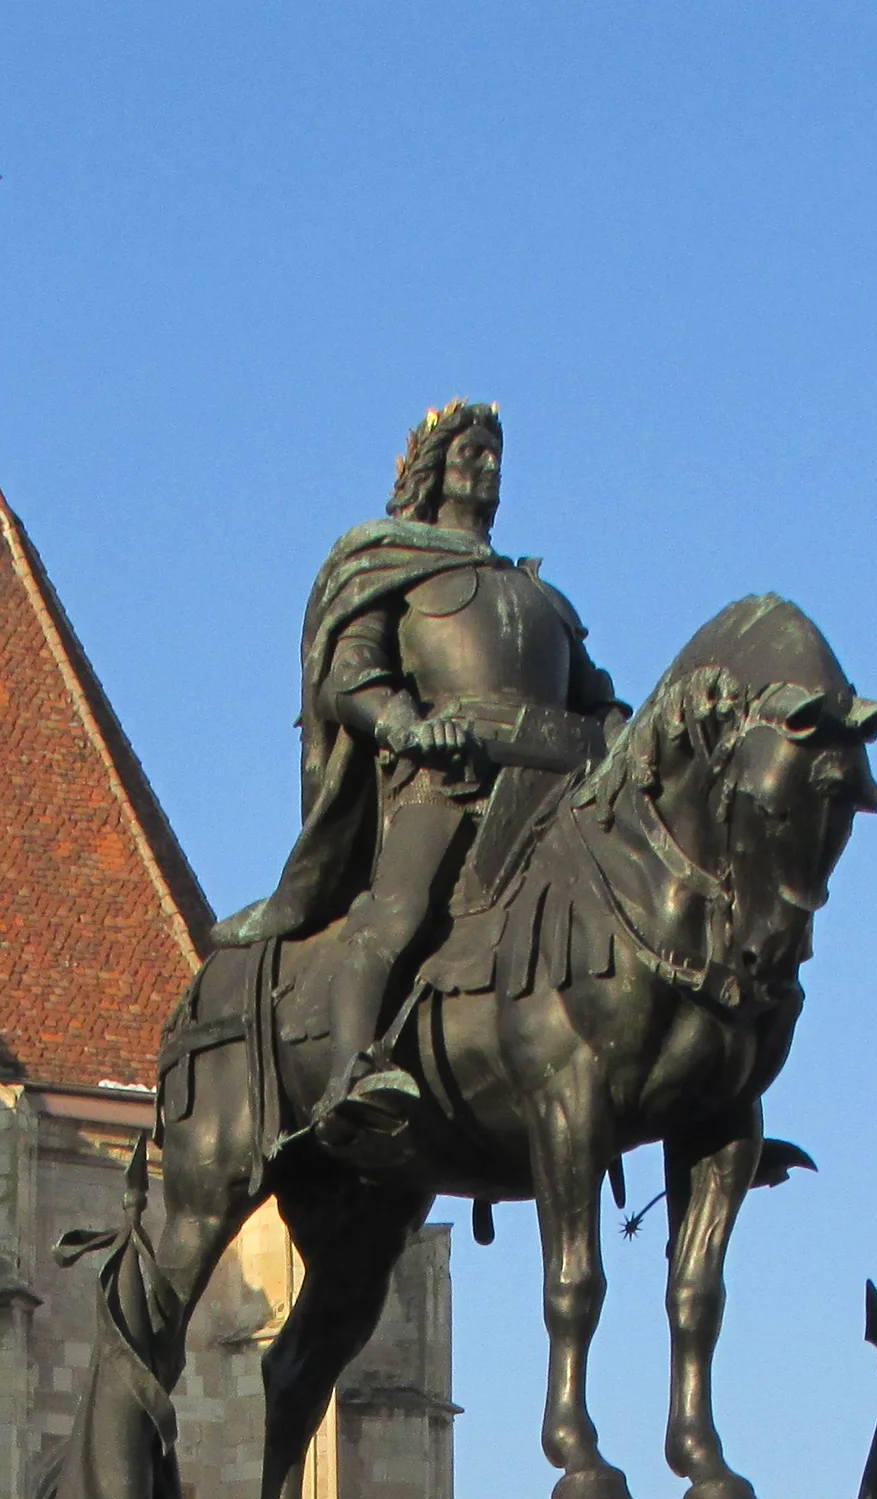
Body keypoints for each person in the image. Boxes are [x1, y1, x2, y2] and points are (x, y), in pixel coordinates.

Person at [214, 401, 624, 1157]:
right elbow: (350, 676)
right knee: (397, 910)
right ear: (434, 470)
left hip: (555, 791)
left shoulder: (541, 597)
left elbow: (596, 697)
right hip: (447, 783)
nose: (489, 467)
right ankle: (349, 1071)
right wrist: (406, 724)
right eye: (472, 452)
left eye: (497, 454)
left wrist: (627, 736)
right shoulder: (393, 567)